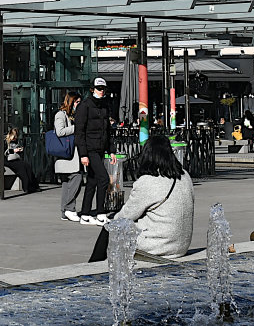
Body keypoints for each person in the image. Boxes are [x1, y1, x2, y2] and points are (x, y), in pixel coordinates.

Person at [89, 134, 194, 262]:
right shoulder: (185, 176)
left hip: (159, 245)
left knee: (109, 228)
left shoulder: (148, 181)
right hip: (181, 244)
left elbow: (125, 216)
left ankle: (92, 268)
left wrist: (112, 219)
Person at [74, 78, 115, 226]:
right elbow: (79, 132)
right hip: (90, 148)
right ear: (92, 89)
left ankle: (85, 214)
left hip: (100, 148)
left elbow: (108, 130)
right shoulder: (84, 106)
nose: (101, 91)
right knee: (103, 178)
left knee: (92, 181)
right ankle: (100, 213)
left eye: (103, 88)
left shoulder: (104, 105)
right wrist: (83, 154)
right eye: (98, 88)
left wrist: (111, 150)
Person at [54, 92, 85, 222]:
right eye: (76, 102)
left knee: (67, 184)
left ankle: (65, 211)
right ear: (70, 102)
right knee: (76, 179)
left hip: (71, 156)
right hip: (67, 155)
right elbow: (60, 131)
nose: (78, 105)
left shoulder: (74, 115)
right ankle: (69, 209)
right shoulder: (61, 115)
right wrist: (76, 128)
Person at [3, 127, 39, 193]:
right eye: (14, 136)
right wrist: (14, 150)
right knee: (21, 168)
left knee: (27, 166)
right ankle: (26, 186)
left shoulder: (16, 141)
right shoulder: (5, 141)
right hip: (7, 160)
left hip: (15, 159)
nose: (15, 138)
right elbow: (4, 153)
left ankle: (33, 185)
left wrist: (20, 150)